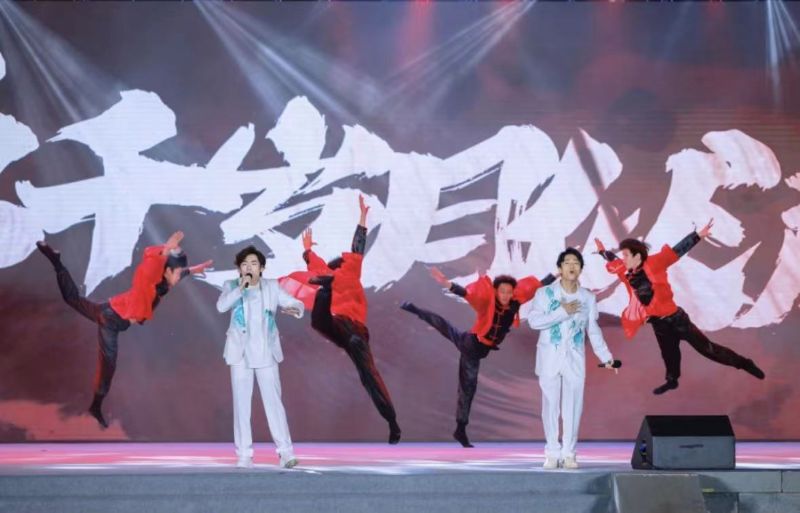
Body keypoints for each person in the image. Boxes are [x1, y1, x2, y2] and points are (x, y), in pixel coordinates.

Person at [36, 232, 212, 427]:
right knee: (107, 366)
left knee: (72, 299)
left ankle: (56, 261)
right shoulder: (148, 281)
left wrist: (194, 269)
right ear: (167, 271)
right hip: (111, 320)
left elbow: (178, 272)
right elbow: (149, 268)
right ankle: (95, 406)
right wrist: (164, 251)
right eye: (178, 273)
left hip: (110, 309)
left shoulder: (163, 283)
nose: (179, 276)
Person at [595, 219, 764, 395]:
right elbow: (613, 260)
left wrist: (697, 236)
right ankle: (672, 381)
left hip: (677, 320)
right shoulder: (626, 271)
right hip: (659, 325)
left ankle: (744, 363)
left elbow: (677, 251)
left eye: (626, 255)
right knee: (669, 355)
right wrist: (602, 252)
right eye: (623, 256)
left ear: (637, 256)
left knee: (708, 349)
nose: (623, 259)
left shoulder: (655, 262)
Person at [282, 195, 401, 444]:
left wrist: (308, 250)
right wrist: (362, 218)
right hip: (348, 329)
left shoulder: (343, 270)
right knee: (368, 374)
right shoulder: (345, 271)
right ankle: (392, 422)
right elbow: (352, 249)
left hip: (345, 327)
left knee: (320, 322)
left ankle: (391, 421)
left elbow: (349, 250)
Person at [400, 266, 555, 448]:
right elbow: (467, 294)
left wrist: (558, 273)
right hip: (471, 347)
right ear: (496, 292)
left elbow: (539, 285)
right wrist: (446, 283)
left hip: (480, 348)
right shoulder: (488, 303)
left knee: (446, 328)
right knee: (467, 388)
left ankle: (416, 310)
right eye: (502, 292)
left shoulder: (515, 302)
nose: (505, 295)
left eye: (509, 292)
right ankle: (460, 429)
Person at [216, 245, 304, 469]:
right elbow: (221, 306)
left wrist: (296, 309)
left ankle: (285, 453)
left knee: (274, 403)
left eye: (254, 264)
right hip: (240, 354)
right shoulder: (231, 286)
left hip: (266, 352)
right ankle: (244, 454)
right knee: (242, 405)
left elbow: (293, 302)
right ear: (239, 269)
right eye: (244, 264)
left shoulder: (272, 287)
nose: (249, 267)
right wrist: (241, 288)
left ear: (262, 268)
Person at [528, 247, 617, 469]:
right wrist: (562, 311)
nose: (571, 266)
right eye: (567, 262)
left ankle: (569, 452)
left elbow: (593, 330)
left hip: (575, 358)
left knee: (573, 407)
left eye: (576, 263)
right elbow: (534, 322)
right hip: (549, 357)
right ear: (559, 268)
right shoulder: (544, 294)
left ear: (581, 269)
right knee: (550, 406)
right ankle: (552, 452)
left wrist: (606, 357)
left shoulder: (588, 297)